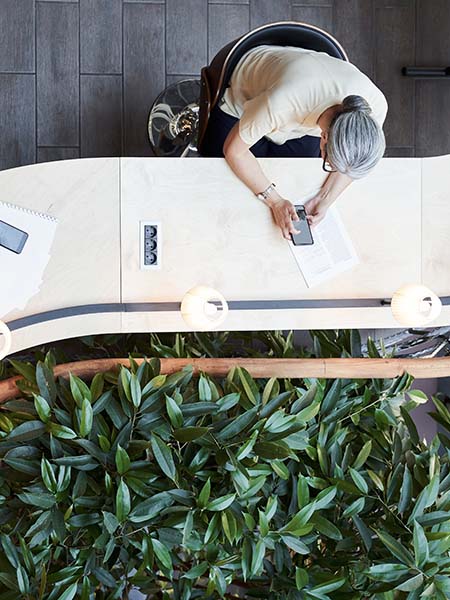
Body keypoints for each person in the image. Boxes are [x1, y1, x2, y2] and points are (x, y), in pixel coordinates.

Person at [201, 44, 388, 240]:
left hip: (298, 123)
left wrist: (324, 199)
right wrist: (276, 202)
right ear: (324, 138)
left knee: (293, 177)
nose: (334, 168)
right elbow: (235, 151)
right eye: (330, 164)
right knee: (221, 175)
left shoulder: (375, 109)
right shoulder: (283, 102)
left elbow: (352, 165)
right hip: (245, 101)